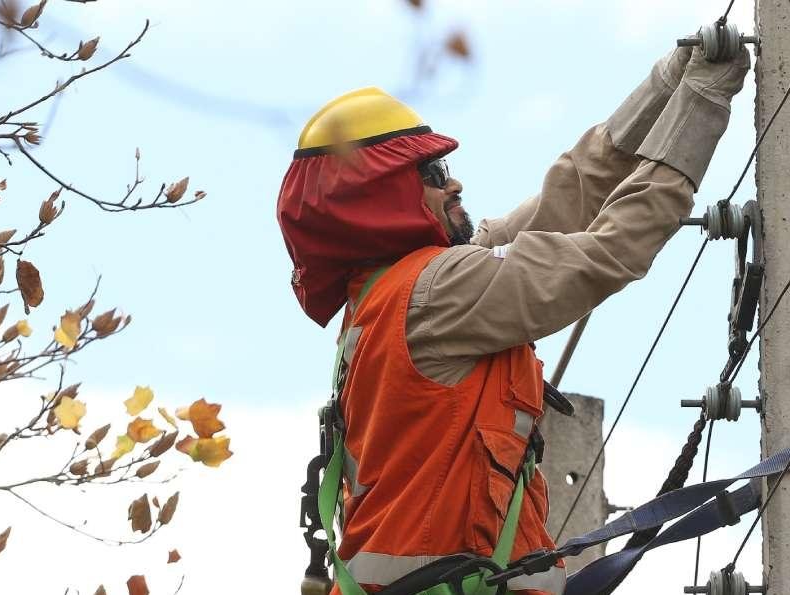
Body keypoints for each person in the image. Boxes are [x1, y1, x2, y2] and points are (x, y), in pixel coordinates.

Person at [279, 44, 750, 595]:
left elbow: (568, 196)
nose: (453, 184)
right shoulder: (437, 292)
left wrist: (666, 86)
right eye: (433, 172)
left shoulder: (388, 296)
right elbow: (611, 249)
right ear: (383, 196)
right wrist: (703, 101)